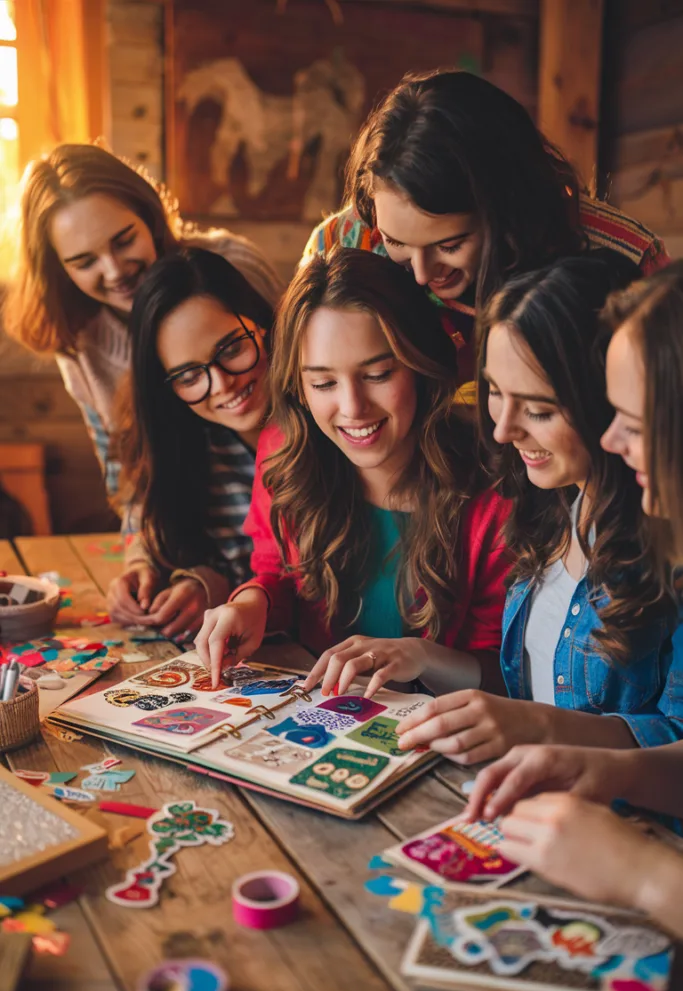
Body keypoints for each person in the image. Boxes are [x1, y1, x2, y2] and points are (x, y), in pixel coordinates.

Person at [456, 263, 683, 939]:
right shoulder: (548, 511)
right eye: (493, 393)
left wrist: (642, 874)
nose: (613, 440)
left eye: (632, 422)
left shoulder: (656, 548)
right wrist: (579, 757)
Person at [396, 256, 683, 764]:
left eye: (539, 409)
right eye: (496, 392)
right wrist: (422, 658)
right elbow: (529, 691)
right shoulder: (551, 506)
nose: (504, 430)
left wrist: (537, 727)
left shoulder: (667, 544)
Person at [195, 247, 510, 691]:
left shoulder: (492, 493)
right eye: (323, 383)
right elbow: (278, 572)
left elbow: (505, 672)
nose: (353, 408)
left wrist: (421, 656)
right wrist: (251, 602)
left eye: (378, 374)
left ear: (420, 366)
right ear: (299, 387)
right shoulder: (284, 453)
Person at [305, 70, 668, 389]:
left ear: (508, 206)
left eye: (449, 245)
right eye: (396, 242)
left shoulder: (626, 261)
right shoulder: (339, 245)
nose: (420, 273)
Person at [3, 143, 282, 496]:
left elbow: (301, 374)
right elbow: (121, 470)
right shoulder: (78, 339)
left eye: (124, 240)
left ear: (149, 218)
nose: (115, 270)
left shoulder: (232, 264)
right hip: (189, 518)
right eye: (84, 262)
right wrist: (142, 545)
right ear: (59, 268)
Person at [106, 247, 273, 638]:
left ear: (262, 324)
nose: (221, 385)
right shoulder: (185, 436)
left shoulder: (331, 419)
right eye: (188, 376)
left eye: (232, 348)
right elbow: (146, 519)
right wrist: (143, 567)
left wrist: (214, 590)